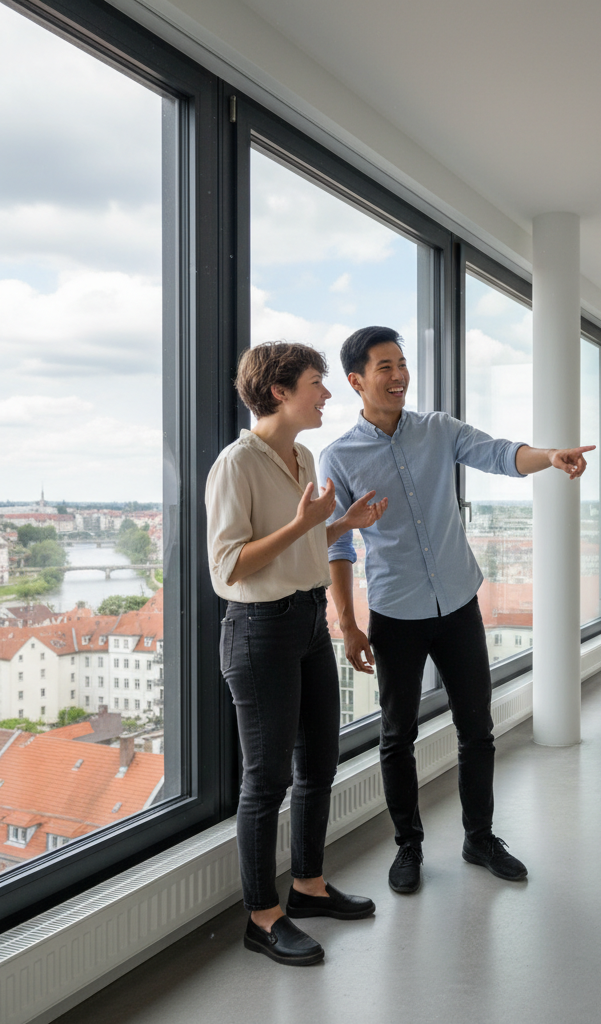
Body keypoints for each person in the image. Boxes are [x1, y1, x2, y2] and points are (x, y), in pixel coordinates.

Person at [319, 325, 593, 895]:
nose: (399, 377)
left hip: (458, 603)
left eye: (402, 364)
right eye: (384, 368)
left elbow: (498, 453)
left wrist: (550, 456)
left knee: (477, 729)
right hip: (395, 613)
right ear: (356, 381)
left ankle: (479, 837)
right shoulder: (339, 457)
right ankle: (408, 847)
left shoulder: (439, 430)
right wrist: (347, 624)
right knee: (397, 736)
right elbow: (337, 545)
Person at [205, 341, 387, 966]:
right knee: (267, 780)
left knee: (319, 762)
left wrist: (345, 523)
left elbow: (305, 547)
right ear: (280, 391)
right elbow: (228, 568)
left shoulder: (303, 455)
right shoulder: (237, 464)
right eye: (317, 382)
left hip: (308, 619)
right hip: (259, 629)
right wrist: (308, 524)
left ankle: (308, 886)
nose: (327, 394)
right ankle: (262, 916)